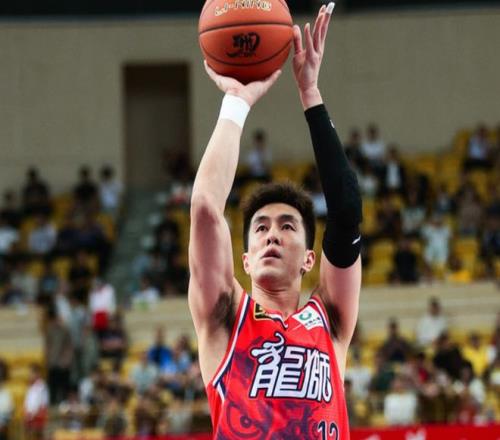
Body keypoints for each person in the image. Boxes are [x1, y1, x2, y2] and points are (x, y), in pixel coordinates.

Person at [188, 4, 362, 439]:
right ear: (245, 259)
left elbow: (346, 212)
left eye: (287, 226)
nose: (272, 235)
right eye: (261, 228)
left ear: (309, 259)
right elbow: (206, 207)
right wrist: (237, 102)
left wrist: (311, 94)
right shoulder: (226, 315)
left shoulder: (330, 319)